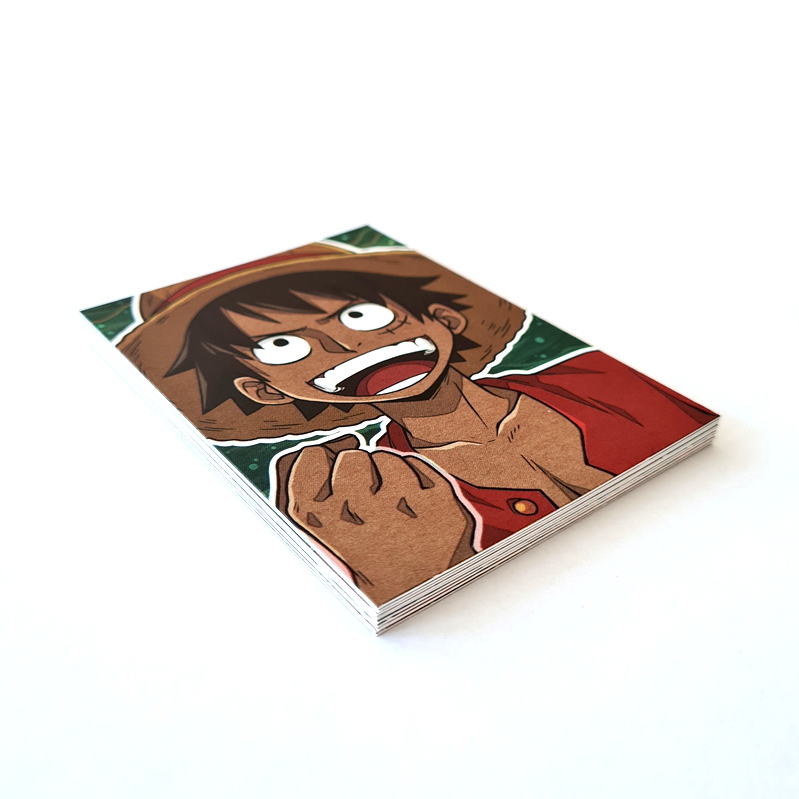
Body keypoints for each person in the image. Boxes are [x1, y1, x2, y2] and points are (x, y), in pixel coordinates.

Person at [118, 243, 717, 604]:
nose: (344, 346)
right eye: (282, 347)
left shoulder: (600, 379)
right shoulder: (355, 499)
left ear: (441, 318)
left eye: (361, 315)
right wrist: (409, 558)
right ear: (263, 390)